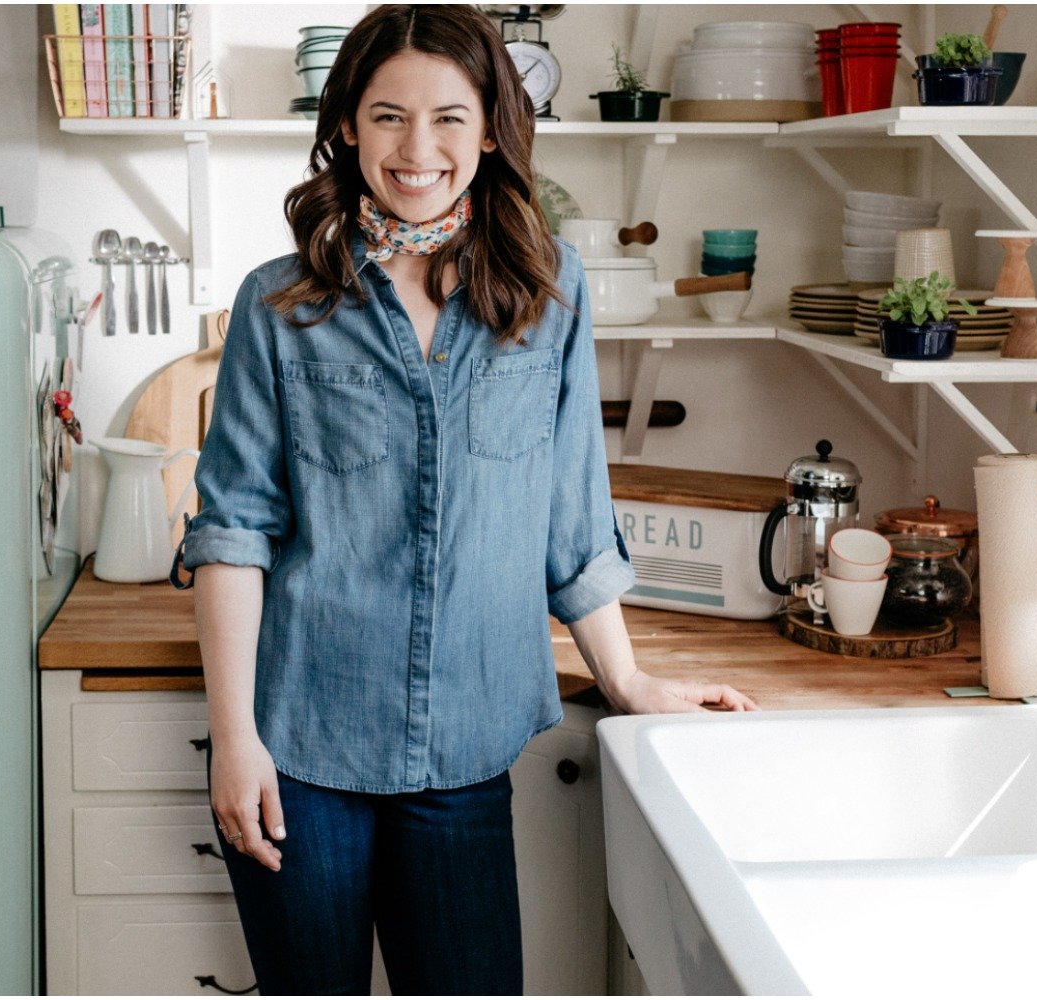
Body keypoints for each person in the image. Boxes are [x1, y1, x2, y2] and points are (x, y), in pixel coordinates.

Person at [168, 6, 754, 994]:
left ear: (490, 128)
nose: (416, 148)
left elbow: (571, 516)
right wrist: (234, 741)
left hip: (465, 753)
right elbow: (233, 535)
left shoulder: (548, 293)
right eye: (387, 115)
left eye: (448, 117)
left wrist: (627, 680)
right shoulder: (279, 307)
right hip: (300, 750)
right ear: (346, 125)